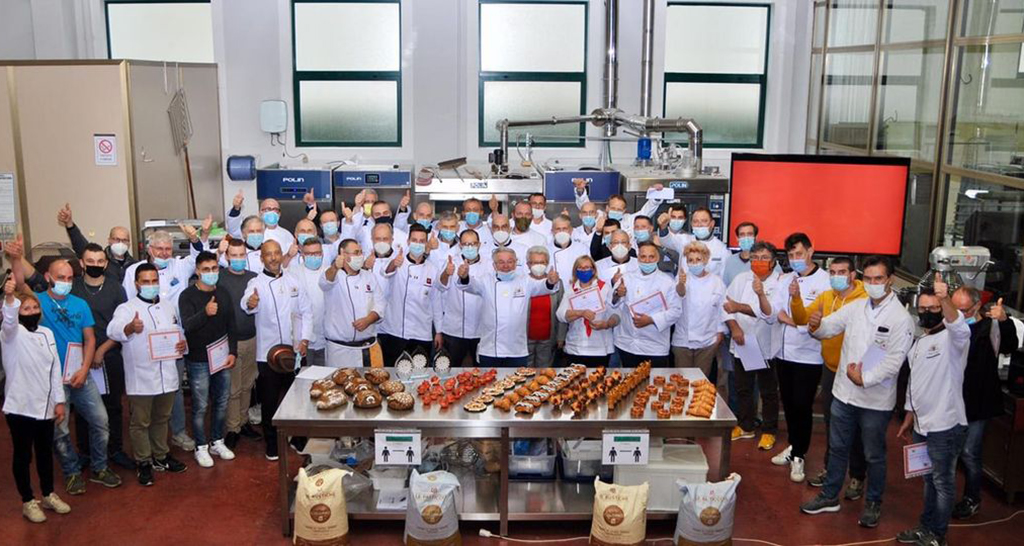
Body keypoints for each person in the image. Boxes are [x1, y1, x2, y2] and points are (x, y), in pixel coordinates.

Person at [801, 256, 915, 529]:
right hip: (844, 394)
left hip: (875, 401)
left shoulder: (901, 318)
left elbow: (894, 361)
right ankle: (830, 496)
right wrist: (816, 325)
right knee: (838, 447)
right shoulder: (856, 307)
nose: (873, 283)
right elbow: (829, 327)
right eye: (869, 279)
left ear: (890, 280)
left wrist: (864, 379)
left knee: (873, 454)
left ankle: (873, 502)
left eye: (879, 279)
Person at [7, 249, 120, 495]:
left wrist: (84, 369)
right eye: (61, 278)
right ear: (48, 277)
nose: (66, 282)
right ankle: (71, 472)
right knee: (60, 430)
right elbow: (21, 284)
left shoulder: (80, 304)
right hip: (51, 380)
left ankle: (100, 468)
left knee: (101, 420)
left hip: (80, 373)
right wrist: (15, 258)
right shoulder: (38, 302)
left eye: (70, 278)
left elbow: (89, 339)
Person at [890, 279, 969, 546]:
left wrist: (945, 299)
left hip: (945, 425)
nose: (927, 313)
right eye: (923, 308)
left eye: (933, 308)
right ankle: (925, 527)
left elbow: (959, 325)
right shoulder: (921, 341)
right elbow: (915, 382)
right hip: (921, 425)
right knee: (928, 480)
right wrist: (908, 414)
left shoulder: (954, 339)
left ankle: (938, 535)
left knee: (942, 482)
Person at [788, 257, 868, 495]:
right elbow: (802, 319)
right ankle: (830, 469)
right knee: (832, 424)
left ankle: (857, 475)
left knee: (856, 427)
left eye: (841, 272)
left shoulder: (864, 300)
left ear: (853, 275)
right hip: (831, 369)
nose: (836, 276)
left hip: (856, 373)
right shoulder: (826, 297)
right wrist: (796, 298)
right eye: (832, 272)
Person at [107, 264, 189, 485]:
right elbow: (112, 330)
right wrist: (129, 328)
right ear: (136, 284)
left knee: (162, 418)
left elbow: (178, 332)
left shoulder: (168, 306)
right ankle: (143, 461)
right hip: (141, 376)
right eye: (146, 281)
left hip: (167, 374)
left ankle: (161, 455)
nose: (151, 285)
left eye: (154, 281)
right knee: (141, 422)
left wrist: (182, 344)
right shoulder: (127, 309)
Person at [2, 277, 71, 522]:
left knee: (44, 453)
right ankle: (28, 501)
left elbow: (55, 369)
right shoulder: (11, 335)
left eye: (34, 308)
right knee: (23, 455)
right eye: (26, 309)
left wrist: (59, 401)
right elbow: (9, 320)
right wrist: (10, 297)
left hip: (46, 406)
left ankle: (48, 494)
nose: (31, 312)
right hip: (20, 406)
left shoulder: (47, 332)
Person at [950, 287, 1019, 519]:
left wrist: (1005, 321)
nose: (959, 315)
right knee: (948, 451)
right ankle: (944, 494)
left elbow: (1009, 345)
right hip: (951, 399)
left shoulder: (990, 328)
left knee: (970, 452)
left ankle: (972, 498)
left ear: (977, 306)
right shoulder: (950, 323)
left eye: (964, 310)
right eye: (954, 309)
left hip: (977, 402)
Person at [242, 240, 313, 460]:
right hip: (268, 354)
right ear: (262, 258)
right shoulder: (256, 283)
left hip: (295, 351)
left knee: (298, 398)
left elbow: (307, 311)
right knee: (270, 401)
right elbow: (246, 302)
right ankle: (272, 443)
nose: (273, 258)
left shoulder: (294, 281)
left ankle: (298, 438)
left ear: (282, 255)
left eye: (276, 253)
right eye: (268, 254)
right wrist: (251, 303)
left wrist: (305, 340)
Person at [772, 233, 832, 482]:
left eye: (798, 253)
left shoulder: (826, 282)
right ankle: (793, 445)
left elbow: (820, 320)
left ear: (810, 251)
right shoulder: (786, 279)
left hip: (809, 355)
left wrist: (797, 323)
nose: (795, 259)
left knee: (802, 404)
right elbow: (777, 311)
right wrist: (796, 322)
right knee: (788, 403)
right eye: (790, 255)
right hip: (783, 352)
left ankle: (799, 455)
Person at [71, 243, 133, 471]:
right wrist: (87, 354)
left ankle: (115, 449)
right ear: (82, 263)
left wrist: (102, 350)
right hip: (79, 357)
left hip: (110, 353)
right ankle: (85, 452)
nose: (95, 265)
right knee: (82, 407)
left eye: (99, 262)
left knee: (113, 405)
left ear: (106, 264)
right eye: (90, 261)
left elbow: (123, 325)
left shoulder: (116, 289)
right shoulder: (73, 288)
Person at [724, 241, 788, 450]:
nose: (759, 262)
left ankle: (769, 430)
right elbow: (726, 306)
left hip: (766, 345)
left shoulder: (780, 282)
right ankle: (746, 426)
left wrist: (740, 307)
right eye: (755, 258)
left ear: (773, 261)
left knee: (768, 391)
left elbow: (769, 313)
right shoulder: (741, 279)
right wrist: (734, 328)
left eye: (764, 258)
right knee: (743, 388)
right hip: (744, 341)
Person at [178, 251, 238, 468]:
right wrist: (205, 312)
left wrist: (233, 352)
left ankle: (217, 441)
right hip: (198, 359)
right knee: (201, 405)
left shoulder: (223, 293)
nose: (211, 273)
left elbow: (231, 324)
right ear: (197, 271)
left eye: (214, 269)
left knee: (221, 401)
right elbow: (187, 325)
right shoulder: (187, 296)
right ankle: (201, 446)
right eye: (206, 269)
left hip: (222, 357)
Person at [452, 247, 560, 366]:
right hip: (490, 350)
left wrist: (551, 281)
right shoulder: (485, 281)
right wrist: (464, 277)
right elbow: (470, 285)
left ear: (516, 263)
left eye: (510, 261)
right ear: (494, 265)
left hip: (517, 350)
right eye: (501, 262)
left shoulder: (525, 281)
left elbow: (544, 287)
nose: (506, 266)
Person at [378, 224, 443, 365]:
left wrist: (438, 331)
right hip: (394, 331)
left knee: (419, 373)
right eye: (414, 240)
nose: (417, 244)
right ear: (408, 241)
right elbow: (386, 272)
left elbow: (436, 302)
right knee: (392, 372)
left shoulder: (432, 270)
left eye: (421, 241)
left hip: (421, 333)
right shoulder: (397, 261)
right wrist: (394, 264)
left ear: (426, 244)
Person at [610, 242, 682, 368]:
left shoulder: (668, 282)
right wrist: (617, 294)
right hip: (627, 344)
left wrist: (651, 320)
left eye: (651, 257)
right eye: (643, 257)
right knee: (628, 379)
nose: (647, 261)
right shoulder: (626, 278)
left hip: (655, 347)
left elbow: (676, 311)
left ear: (658, 258)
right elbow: (612, 304)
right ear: (638, 257)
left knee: (654, 380)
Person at [219, 239, 261, 449]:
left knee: (247, 385)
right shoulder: (219, 278)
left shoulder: (254, 278)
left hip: (252, 338)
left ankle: (244, 422)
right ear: (227, 257)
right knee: (233, 389)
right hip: (229, 342)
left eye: (241, 255)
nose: (238, 259)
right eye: (234, 255)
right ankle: (233, 428)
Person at [671, 242, 727, 393]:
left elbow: (722, 309)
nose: (694, 263)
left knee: (700, 385)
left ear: (706, 260)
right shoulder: (682, 279)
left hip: (707, 341)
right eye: (690, 260)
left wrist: (720, 333)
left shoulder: (717, 282)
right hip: (683, 340)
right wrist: (681, 284)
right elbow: (679, 294)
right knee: (681, 385)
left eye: (698, 259)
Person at [320, 239, 385, 367]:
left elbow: (380, 303)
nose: (360, 256)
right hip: (340, 350)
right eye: (356, 252)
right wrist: (335, 267)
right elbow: (325, 282)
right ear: (343, 254)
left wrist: (369, 319)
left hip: (368, 347)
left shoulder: (369, 277)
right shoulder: (334, 275)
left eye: (360, 252)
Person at [556, 255, 619, 366]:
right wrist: (580, 313)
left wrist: (607, 324)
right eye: (580, 268)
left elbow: (616, 315)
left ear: (593, 270)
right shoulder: (571, 289)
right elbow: (560, 315)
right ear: (575, 271)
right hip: (575, 347)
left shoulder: (605, 288)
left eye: (587, 267)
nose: (584, 270)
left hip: (600, 347)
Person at [438, 230, 488, 366]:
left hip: (480, 329)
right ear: (460, 245)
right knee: (450, 368)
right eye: (466, 244)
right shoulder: (451, 261)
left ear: (479, 244)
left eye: (473, 244)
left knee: (481, 370)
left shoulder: (489, 264)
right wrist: (446, 273)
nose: (470, 247)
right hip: (454, 328)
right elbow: (440, 286)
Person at [57, 203, 136, 282]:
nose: (120, 243)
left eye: (124, 240)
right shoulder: (99, 260)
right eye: (117, 239)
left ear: (129, 244)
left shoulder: (134, 265)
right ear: (109, 240)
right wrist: (69, 224)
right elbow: (80, 244)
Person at [286, 236, 329, 367]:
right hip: (302, 337)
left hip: (326, 337)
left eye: (316, 253)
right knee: (304, 373)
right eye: (309, 254)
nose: (313, 257)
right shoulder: (293, 272)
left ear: (322, 254)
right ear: (303, 255)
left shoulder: (329, 272)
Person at [525, 246, 565, 367]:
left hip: (548, 339)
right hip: (524, 339)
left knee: (544, 372)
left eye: (542, 262)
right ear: (528, 264)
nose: (539, 265)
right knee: (525, 371)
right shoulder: (522, 282)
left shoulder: (557, 282)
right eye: (535, 262)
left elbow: (562, 310)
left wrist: (561, 336)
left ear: (547, 264)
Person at [689, 207, 728, 277]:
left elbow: (725, 278)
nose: (699, 225)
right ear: (691, 224)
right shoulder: (684, 242)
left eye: (704, 221)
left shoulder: (722, 249)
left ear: (712, 224)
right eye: (695, 221)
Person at [550, 215, 588, 285]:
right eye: (558, 229)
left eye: (565, 229)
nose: (561, 232)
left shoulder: (582, 249)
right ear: (552, 231)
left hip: (577, 288)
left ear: (571, 231)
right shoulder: (546, 250)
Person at [723, 221, 759, 287]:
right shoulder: (730, 261)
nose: (746, 238)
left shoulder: (766, 260)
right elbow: (725, 287)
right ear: (737, 238)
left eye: (749, 234)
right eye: (742, 235)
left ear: (756, 237)